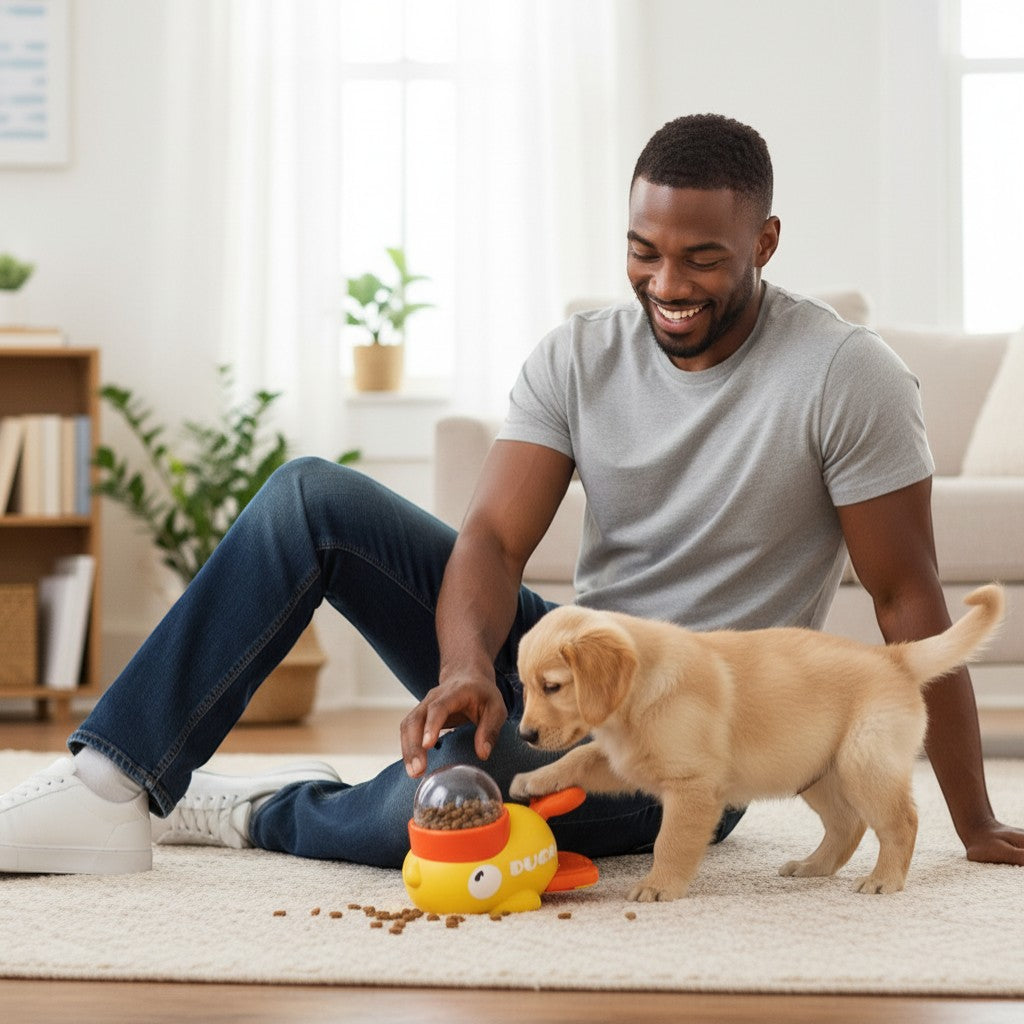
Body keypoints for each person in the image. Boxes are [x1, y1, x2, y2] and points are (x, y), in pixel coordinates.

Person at [2, 114, 1022, 876]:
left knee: (450, 813)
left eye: (702, 258)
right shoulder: (579, 355)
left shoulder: (850, 376)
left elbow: (907, 602)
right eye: (644, 251)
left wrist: (971, 820)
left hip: (683, 727)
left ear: (763, 243)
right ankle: (110, 782)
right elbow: (489, 535)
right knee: (309, 495)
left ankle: (257, 810)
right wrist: (463, 670)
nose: (667, 283)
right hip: (554, 660)